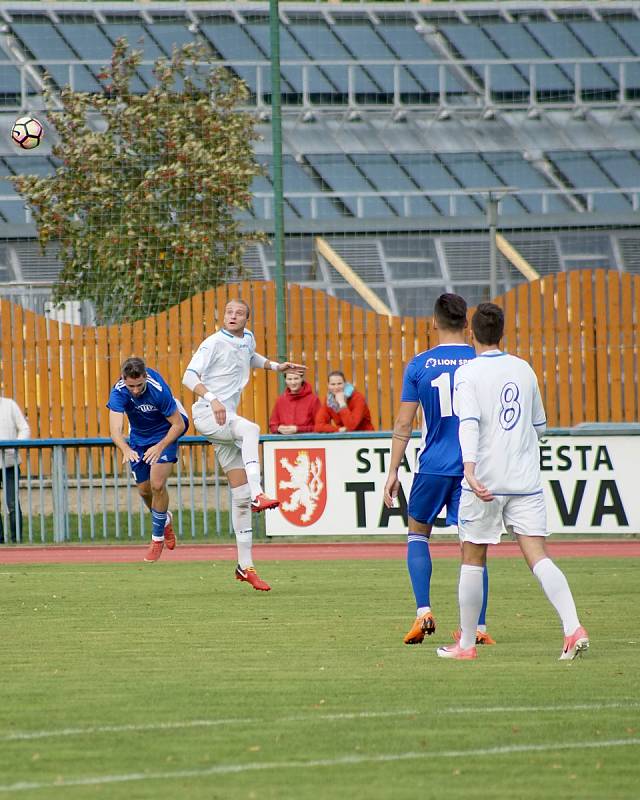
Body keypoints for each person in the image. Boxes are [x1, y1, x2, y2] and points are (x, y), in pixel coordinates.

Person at [437, 302, 589, 661]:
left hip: (485, 482)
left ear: (471, 334)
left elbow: (469, 422)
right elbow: (540, 428)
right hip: (524, 481)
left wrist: (470, 470)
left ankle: (467, 645)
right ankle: (572, 627)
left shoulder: (469, 373)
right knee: (538, 556)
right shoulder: (524, 369)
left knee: (472, 557)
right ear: (502, 333)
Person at [383, 294, 493, 646]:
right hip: (472, 465)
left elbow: (403, 423)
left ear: (433, 322)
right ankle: (477, 627)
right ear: (467, 323)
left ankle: (423, 611)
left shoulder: (419, 365)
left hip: (432, 465)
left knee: (418, 534)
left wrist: (392, 472)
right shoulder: (480, 362)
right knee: (472, 546)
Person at [182, 298, 306, 592]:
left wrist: (277, 366)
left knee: (238, 495)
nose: (233, 316)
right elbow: (188, 376)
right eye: (228, 312)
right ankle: (259, 493)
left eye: (239, 313)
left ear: (247, 319)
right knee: (251, 429)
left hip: (227, 418)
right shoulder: (213, 342)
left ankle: (245, 566)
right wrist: (212, 400)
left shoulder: (246, 338)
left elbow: (250, 356)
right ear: (222, 316)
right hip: (208, 414)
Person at [108, 357, 189, 563]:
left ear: (145, 376)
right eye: (131, 386)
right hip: (139, 437)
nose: (135, 390)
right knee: (144, 490)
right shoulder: (118, 391)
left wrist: (160, 446)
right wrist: (125, 448)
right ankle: (165, 520)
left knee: (157, 484)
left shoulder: (158, 389)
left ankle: (156, 538)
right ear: (124, 379)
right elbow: (115, 430)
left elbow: (178, 425)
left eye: (139, 385)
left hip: (167, 431)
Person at [0, 396, 30, 543]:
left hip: (10, 463)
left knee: (12, 503)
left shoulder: (9, 405)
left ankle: (16, 539)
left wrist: (14, 446)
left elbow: (24, 428)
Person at [269, 369, 321, 435]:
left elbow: (319, 427)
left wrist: (297, 429)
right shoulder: (280, 400)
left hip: (308, 443)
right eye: (289, 379)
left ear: (302, 379)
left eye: (296, 378)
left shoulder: (313, 400)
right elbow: (272, 425)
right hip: (284, 443)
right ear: (285, 380)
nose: (293, 382)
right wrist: (278, 428)